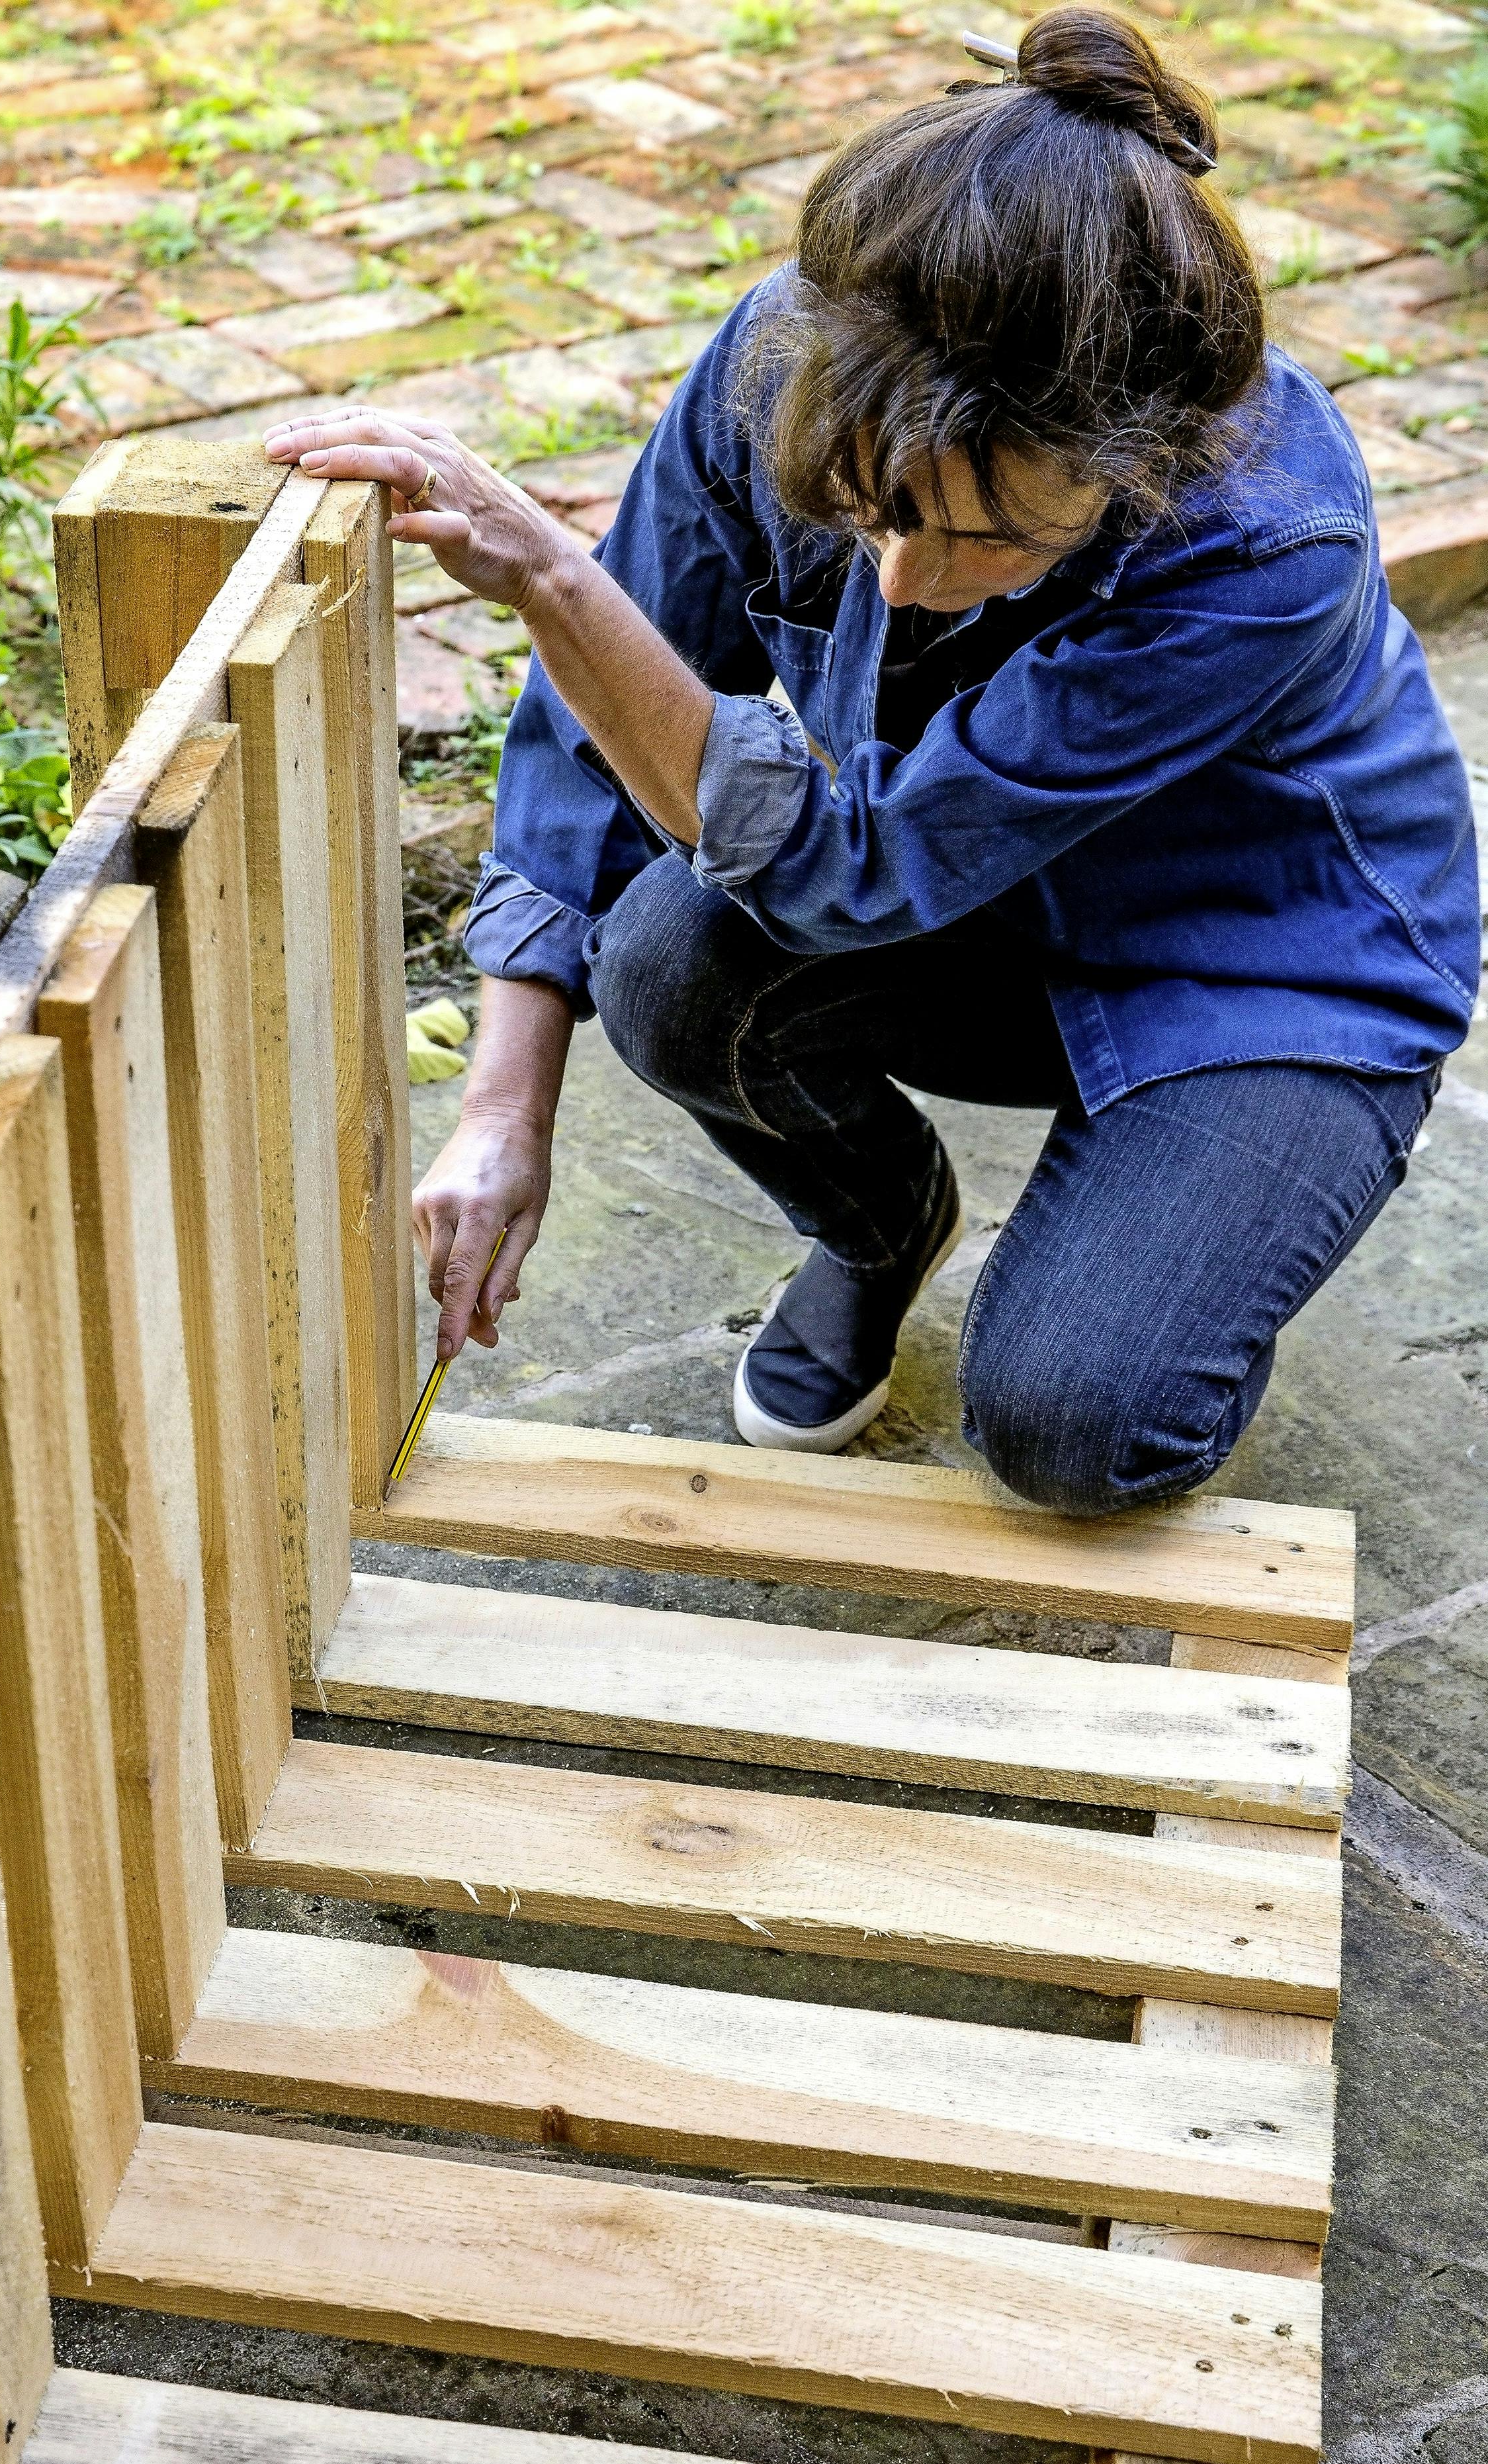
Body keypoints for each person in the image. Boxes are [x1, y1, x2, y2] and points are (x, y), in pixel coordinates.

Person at [265, 5, 1478, 1514]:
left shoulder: (1263, 538)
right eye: (873, 512)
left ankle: (1206, 1201)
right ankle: (876, 1224)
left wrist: (554, 580)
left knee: (1073, 1429)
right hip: (964, 894)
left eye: (989, 536)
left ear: (1135, 462)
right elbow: (599, 740)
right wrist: (504, 1111)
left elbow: (853, 866)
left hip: (1257, 959)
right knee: (668, 964)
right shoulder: (789, 358)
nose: (900, 580)